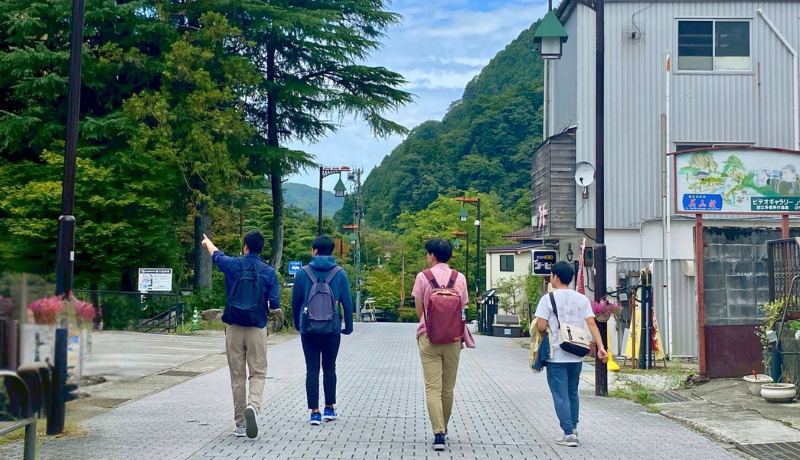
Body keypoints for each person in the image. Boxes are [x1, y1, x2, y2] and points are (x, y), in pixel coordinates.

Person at [201, 231, 280, 439]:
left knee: (237, 376)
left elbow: (217, 255)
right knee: (258, 372)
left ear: (245, 247)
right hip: (257, 328)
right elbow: (274, 305)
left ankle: (240, 424)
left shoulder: (233, 265)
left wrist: (208, 242)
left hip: (234, 327)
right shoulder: (268, 272)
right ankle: (253, 406)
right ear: (261, 249)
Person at [534, 261, 607, 447]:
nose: (550, 278)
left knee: (560, 395)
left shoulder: (548, 299)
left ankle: (568, 434)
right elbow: (591, 323)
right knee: (572, 392)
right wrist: (601, 347)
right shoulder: (582, 299)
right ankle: (573, 428)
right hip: (576, 353)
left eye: (551, 275)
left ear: (556, 277)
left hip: (556, 354)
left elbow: (541, 326)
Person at [412, 238, 469, 451]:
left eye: (428, 254)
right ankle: (443, 427)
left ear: (432, 255)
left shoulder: (423, 277)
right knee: (448, 388)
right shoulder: (459, 278)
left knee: (432, 388)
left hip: (429, 337)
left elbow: (419, 312)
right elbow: (463, 307)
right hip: (453, 338)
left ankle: (438, 434)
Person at [292, 236, 354, 425]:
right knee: (329, 367)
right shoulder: (339, 273)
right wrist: (348, 327)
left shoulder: (302, 273)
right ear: (331, 251)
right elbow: (347, 303)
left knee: (311, 368)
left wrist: (298, 324)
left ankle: (314, 412)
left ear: (315, 251)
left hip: (308, 328)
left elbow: (295, 302)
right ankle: (329, 408)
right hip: (332, 328)